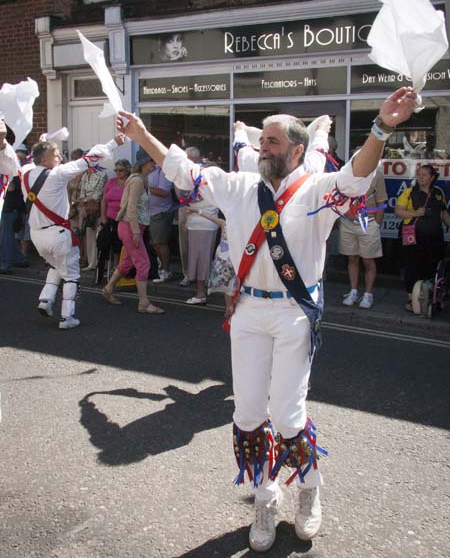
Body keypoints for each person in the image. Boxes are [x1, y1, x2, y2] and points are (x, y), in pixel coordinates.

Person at [117, 87, 417, 552]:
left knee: (288, 415)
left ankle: (310, 489)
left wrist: (381, 127)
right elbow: (183, 171)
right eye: (262, 142)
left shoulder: (318, 189)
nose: (263, 149)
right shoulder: (238, 187)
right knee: (248, 412)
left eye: (273, 142)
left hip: (295, 312)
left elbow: (357, 176)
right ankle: (265, 497)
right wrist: (141, 133)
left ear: (298, 150)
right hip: (248, 312)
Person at [18, 138, 116, 330]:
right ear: (46, 160)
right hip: (58, 233)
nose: (60, 158)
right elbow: (90, 159)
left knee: (56, 264)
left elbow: (29, 160)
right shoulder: (57, 174)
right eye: (56, 155)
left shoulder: (26, 173)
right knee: (71, 275)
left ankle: (46, 300)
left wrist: (42, 144)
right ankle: (67, 317)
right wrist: (115, 143)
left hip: (37, 235)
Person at [102, 152, 164, 315]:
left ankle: (108, 289)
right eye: (151, 162)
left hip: (132, 227)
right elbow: (131, 208)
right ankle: (143, 302)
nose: (154, 165)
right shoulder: (137, 181)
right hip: (130, 227)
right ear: (143, 163)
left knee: (127, 262)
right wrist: (136, 232)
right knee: (143, 263)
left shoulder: (142, 179)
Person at [394, 164, 450, 312]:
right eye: (419, 174)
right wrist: (415, 213)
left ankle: (428, 296)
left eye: (424, 175)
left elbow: (443, 213)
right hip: (413, 236)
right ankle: (411, 298)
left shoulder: (438, 193)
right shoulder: (409, 192)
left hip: (434, 237)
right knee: (412, 266)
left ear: (432, 178)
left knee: (431, 267)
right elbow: (398, 211)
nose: (420, 177)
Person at [340, 168, 388, 309]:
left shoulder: (376, 175)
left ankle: (368, 294)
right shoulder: (346, 173)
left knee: (368, 260)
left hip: (369, 222)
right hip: (348, 223)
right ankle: (353, 291)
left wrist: (377, 223)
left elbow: (381, 201)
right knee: (352, 259)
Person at [142, 149, 175, 283]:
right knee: (154, 243)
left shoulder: (164, 171)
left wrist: (145, 187)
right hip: (149, 211)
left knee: (160, 243)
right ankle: (161, 267)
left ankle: (166, 270)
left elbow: (164, 192)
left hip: (161, 212)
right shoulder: (152, 171)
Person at [97, 158, 131, 285]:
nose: (118, 173)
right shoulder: (111, 182)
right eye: (116, 170)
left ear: (128, 171)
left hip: (124, 219)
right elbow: (104, 200)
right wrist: (103, 217)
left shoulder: (130, 183)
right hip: (110, 218)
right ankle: (107, 269)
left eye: (121, 170)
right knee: (106, 242)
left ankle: (119, 268)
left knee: (120, 245)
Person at [184, 198, 219, 305]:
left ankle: (201, 294)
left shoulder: (201, 185)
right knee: (203, 259)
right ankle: (203, 290)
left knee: (200, 260)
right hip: (205, 223)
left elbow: (184, 197)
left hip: (200, 224)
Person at [176, 146, 202, 287]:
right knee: (184, 244)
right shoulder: (181, 173)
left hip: (202, 212)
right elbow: (179, 193)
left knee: (200, 245)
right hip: (185, 209)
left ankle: (200, 276)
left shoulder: (206, 169)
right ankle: (187, 273)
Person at [0, 174, 28, 274]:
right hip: (13, 209)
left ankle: (5, 265)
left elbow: (10, 188)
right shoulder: (15, 174)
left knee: (5, 238)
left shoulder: (10, 174)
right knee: (9, 237)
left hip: (9, 210)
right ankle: (19, 259)